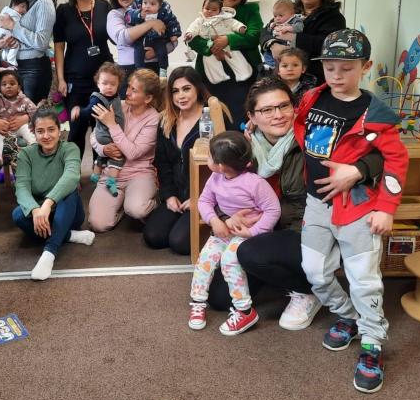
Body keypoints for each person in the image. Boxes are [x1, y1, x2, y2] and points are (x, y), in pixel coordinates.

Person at [206, 76, 385, 335]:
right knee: (220, 300)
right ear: (252, 116)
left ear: (295, 108)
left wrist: (358, 170)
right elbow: (222, 188)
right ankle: (283, 275)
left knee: (250, 253)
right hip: (262, 232)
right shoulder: (242, 149)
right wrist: (225, 216)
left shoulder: (315, 140)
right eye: (267, 110)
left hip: (304, 231)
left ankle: (306, 290)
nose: (277, 115)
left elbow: (380, 153)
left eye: (284, 106)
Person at [296, 28, 408, 394]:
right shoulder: (312, 97)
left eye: (346, 68)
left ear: (366, 66)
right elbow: (299, 131)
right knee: (315, 271)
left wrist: (386, 208)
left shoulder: (373, 113)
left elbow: (396, 160)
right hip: (317, 204)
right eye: (330, 67)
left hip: (358, 209)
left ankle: (372, 342)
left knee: (364, 279)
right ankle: (346, 316)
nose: (337, 76)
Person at [188, 131, 280, 335]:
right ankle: (197, 301)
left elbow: (273, 210)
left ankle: (244, 310)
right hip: (226, 229)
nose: (208, 158)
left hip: (249, 234)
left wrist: (253, 232)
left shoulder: (255, 183)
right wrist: (215, 221)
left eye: (210, 156)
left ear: (221, 165)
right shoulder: (216, 177)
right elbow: (204, 201)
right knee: (205, 259)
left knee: (230, 259)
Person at [142, 66, 223, 255]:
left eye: (186, 89)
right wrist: (169, 195)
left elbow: (224, 169)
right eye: (175, 91)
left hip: (206, 197)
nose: (181, 96)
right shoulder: (166, 120)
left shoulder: (214, 117)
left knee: (180, 243)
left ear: (197, 88)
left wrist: (199, 199)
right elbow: (162, 164)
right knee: (154, 237)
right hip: (177, 196)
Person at [12, 108, 96, 280]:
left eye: (51, 129)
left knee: (70, 191)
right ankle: (69, 235)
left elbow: (72, 176)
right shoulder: (26, 155)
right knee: (18, 215)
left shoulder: (70, 148)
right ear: (33, 133)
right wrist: (35, 210)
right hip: (43, 215)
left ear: (59, 130)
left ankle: (49, 253)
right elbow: (21, 187)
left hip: (69, 211)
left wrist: (47, 204)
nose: (46, 136)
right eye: (40, 131)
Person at [187, 0, 263, 126]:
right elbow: (193, 37)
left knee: (239, 120)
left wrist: (227, 40)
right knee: (214, 118)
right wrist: (212, 47)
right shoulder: (211, 7)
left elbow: (253, 36)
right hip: (211, 74)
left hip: (243, 77)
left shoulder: (250, 10)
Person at [87, 69, 161, 231]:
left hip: (139, 174)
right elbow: (94, 136)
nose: (127, 92)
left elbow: (132, 153)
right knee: (98, 224)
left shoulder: (154, 118)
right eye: (128, 87)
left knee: (137, 209)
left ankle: (152, 202)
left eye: (134, 90)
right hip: (111, 174)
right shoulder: (117, 105)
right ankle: (122, 205)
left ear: (148, 98)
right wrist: (104, 150)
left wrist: (112, 124)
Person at [53, 0, 113, 158]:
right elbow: (59, 46)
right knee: (76, 128)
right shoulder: (64, 11)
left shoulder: (104, 6)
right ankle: (73, 174)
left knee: (102, 127)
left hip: (103, 80)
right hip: (75, 80)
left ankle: (100, 171)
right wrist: (60, 79)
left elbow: (118, 36)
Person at [264, 0, 346, 84]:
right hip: (281, 75)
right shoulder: (290, 10)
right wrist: (273, 44)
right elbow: (265, 30)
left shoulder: (334, 17)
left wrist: (293, 38)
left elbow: (328, 44)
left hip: (311, 78)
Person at [0, 0, 57, 104]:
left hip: (33, 69)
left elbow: (41, 43)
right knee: (13, 112)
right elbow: (1, 25)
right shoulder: (17, 0)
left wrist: (13, 27)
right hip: (13, 66)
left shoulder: (44, 2)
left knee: (29, 116)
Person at [107, 0, 176, 94]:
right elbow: (122, 37)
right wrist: (150, 23)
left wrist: (156, 52)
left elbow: (172, 41)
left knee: (156, 110)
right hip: (128, 71)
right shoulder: (115, 14)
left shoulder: (158, 10)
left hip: (155, 70)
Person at [71, 62, 125, 196]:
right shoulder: (98, 98)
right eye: (105, 83)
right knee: (118, 156)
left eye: (113, 84)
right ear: (98, 83)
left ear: (118, 85)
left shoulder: (114, 97)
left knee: (104, 155)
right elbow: (89, 111)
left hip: (108, 132)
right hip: (106, 134)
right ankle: (111, 180)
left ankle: (96, 174)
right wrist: (79, 111)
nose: (109, 87)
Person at [184, 0, 251, 84]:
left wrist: (240, 27)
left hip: (226, 43)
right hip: (209, 44)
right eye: (207, 9)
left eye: (214, 10)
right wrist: (190, 34)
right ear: (202, 8)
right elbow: (193, 28)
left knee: (235, 56)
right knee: (209, 61)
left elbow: (233, 23)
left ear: (219, 11)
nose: (210, 11)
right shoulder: (200, 20)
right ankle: (218, 77)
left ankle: (243, 73)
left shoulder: (224, 18)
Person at [125, 0, 182, 78]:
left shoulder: (163, 12)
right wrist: (139, 15)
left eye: (152, 4)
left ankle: (163, 70)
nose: (147, 6)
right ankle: (140, 72)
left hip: (157, 38)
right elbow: (128, 16)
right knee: (138, 53)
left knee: (162, 51)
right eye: (145, 3)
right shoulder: (138, 9)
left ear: (159, 5)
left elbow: (172, 21)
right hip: (141, 39)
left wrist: (174, 33)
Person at [0, 69, 38, 168]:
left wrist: (27, 117)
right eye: (4, 84)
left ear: (19, 87)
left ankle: (34, 146)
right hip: (3, 130)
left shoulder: (24, 100)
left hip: (20, 127)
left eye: (12, 83)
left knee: (27, 129)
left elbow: (35, 111)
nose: (8, 86)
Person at [260, 0, 305, 72]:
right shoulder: (276, 22)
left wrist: (289, 28)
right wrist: (271, 26)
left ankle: (278, 66)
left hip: (288, 45)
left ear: (291, 14)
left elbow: (300, 27)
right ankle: (271, 65)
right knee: (267, 52)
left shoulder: (295, 20)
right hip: (276, 42)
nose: (277, 18)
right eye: (275, 16)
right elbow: (265, 31)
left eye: (280, 15)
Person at [0, 0, 29, 67]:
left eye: (26, 8)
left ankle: (4, 57)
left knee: (7, 46)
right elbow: (16, 26)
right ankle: (11, 59)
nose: (24, 10)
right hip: (5, 31)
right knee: (16, 45)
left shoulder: (4, 10)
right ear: (13, 5)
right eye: (22, 6)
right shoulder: (14, 14)